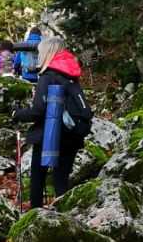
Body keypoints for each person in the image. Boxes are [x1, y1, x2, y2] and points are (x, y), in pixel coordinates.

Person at [15, 36, 92, 208]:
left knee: (38, 178)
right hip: (71, 134)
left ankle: (36, 215)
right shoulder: (71, 76)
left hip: (48, 136)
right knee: (61, 180)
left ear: (47, 53)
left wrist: (18, 114)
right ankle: (62, 215)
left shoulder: (48, 77)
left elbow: (39, 110)